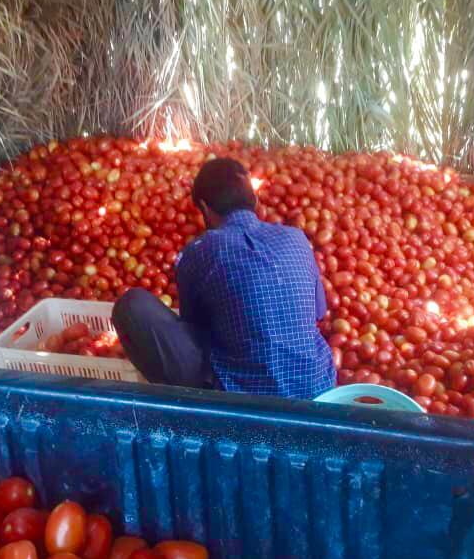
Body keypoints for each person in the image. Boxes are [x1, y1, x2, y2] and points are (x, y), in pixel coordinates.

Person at [112, 157, 335, 399]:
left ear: (205, 209)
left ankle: (197, 409)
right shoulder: (297, 238)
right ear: (255, 201)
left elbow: (195, 327)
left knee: (132, 306)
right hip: (317, 390)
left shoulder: (200, 249)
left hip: (244, 398)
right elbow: (318, 313)